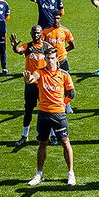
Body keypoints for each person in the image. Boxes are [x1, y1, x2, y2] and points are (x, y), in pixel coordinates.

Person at [25, 47, 76, 186]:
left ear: (57, 59)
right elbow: (32, 79)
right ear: (45, 59)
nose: (50, 61)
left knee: (65, 142)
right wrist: (28, 79)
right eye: (48, 58)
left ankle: (70, 173)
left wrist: (62, 104)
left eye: (52, 58)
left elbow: (71, 94)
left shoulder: (64, 75)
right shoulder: (40, 73)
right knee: (42, 143)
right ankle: (39, 174)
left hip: (59, 114)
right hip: (43, 113)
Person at [10, 26, 53, 146]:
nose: (36, 35)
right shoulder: (27, 46)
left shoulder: (47, 47)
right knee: (28, 110)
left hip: (43, 84)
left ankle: (53, 136)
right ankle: (24, 136)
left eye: (38, 33)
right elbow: (18, 50)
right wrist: (14, 46)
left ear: (41, 34)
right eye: (34, 33)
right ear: (31, 33)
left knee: (48, 110)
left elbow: (54, 60)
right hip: (30, 84)